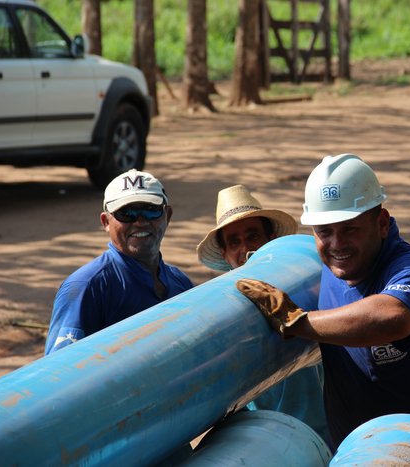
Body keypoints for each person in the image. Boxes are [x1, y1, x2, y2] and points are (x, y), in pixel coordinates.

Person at [236, 153, 410, 463]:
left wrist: (297, 322)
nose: (337, 244)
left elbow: (391, 317)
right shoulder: (330, 267)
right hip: (359, 452)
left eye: (350, 229)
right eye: (324, 232)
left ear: (381, 223)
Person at [195, 184, 330, 444]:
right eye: (234, 242)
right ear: (224, 253)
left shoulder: (303, 285)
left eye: (253, 235)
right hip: (262, 441)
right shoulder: (220, 311)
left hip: (319, 436)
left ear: (270, 241)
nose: (244, 249)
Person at [45, 169, 194, 354]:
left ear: (167, 216)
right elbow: (60, 371)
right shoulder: (86, 287)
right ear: (106, 221)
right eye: (127, 213)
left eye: (150, 211)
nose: (140, 222)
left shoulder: (180, 282)